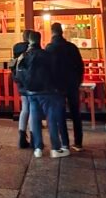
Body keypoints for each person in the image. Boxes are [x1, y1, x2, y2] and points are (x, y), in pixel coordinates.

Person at [15, 31, 68, 159]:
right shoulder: (47, 55)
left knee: (35, 119)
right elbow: (55, 73)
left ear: (29, 40)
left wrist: (25, 86)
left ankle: (38, 148)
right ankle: (55, 148)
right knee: (51, 119)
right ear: (40, 40)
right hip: (47, 92)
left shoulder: (24, 56)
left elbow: (18, 74)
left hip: (31, 92)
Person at [44, 21, 85, 151]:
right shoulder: (72, 47)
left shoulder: (50, 48)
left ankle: (64, 143)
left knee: (60, 114)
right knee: (75, 113)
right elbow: (80, 66)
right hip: (72, 84)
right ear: (62, 32)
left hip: (57, 86)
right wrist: (78, 81)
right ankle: (78, 142)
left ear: (52, 33)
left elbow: (47, 69)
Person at [12, 29, 31, 148]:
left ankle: (22, 136)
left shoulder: (16, 48)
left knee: (25, 108)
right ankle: (35, 137)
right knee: (33, 109)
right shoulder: (32, 50)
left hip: (20, 81)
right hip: (32, 82)